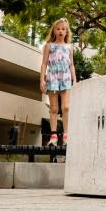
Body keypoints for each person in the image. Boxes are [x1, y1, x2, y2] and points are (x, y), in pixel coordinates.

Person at [39, 17, 77, 146]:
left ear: (67, 32)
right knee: (54, 108)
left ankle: (66, 136)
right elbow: (44, 64)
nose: (61, 31)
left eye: (63, 29)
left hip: (65, 77)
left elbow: (71, 65)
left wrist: (75, 80)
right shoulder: (49, 46)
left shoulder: (69, 47)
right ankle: (54, 137)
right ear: (54, 31)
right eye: (58, 29)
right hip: (52, 77)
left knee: (66, 107)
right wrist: (42, 80)